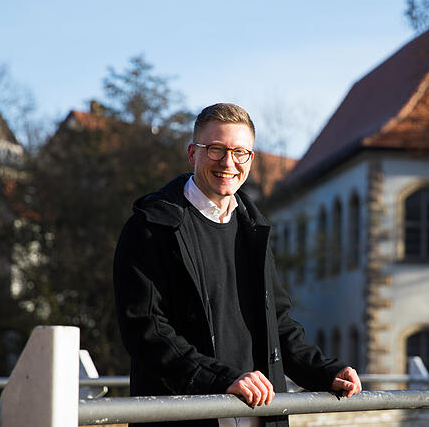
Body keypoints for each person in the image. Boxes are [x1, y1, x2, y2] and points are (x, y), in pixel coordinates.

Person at [113, 103, 361, 427]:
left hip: (260, 415)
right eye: (216, 149)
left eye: (239, 152)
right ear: (192, 153)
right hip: (185, 417)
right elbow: (146, 332)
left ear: (250, 160)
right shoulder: (150, 228)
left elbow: (279, 326)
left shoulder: (253, 229)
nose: (228, 162)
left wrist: (324, 371)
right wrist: (220, 380)